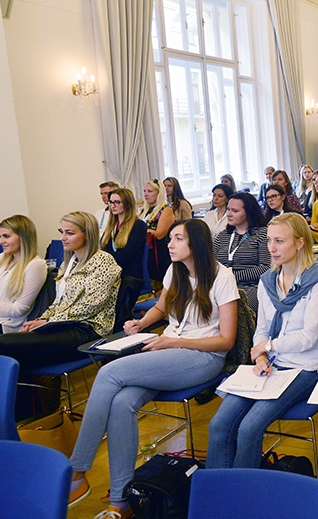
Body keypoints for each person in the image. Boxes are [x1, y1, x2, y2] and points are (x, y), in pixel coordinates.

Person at [68, 220, 238, 517]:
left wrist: (173, 343)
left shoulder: (222, 277)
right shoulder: (176, 271)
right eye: (170, 238)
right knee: (121, 403)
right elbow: (161, 306)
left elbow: (226, 340)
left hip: (202, 357)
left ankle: (77, 471)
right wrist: (142, 323)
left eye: (177, 238)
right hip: (171, 352)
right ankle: (120, 502)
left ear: (195, 244)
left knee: (108, 373)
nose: (169, 244)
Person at [207, 213, 318, 469]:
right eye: (269, 241)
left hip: (306, 366)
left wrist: (267, 347)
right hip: (272, 363)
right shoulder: (268, 281)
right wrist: (261, 356)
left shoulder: (317, 280)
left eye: (279, 241)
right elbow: (262, 328)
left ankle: (245, 498)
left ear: (299, 243)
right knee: (219, 424)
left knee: (250, 428)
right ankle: (216, 495)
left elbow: (308, 338)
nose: (272, 248)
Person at [0, 212, 120, 419]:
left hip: (88, 330)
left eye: (70, 233)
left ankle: (23, 415)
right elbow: (58, 302)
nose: (63, 238)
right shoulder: (70, 262)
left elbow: (91, 306)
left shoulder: (103, 261)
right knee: (13, 351)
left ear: (87, 235)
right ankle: (25, 415)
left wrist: (49, 321)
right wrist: (42, 319)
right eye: (62, 232)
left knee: (1, 344)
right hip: (62, 326)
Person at [213, 192, 270, 313]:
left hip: (249, 287)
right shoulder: (223, 236)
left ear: (248, 213)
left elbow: (265, 268)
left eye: (235, 211)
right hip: (220, 285)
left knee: (236, 309)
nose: (229, 214)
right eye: (228, 209)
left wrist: (232, 276)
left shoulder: (263, 234)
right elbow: (209, 262)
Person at [0, 215, 46, 334]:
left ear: (23, 237)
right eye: (0, 236)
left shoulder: (35, 265)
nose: (1, 242)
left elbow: (18, 309)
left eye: (6, 236)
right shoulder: (1, 259)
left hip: (5, 325)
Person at [101, 188, 147, 281]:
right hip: (112, 271)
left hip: (129, 276)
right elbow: (103, 247)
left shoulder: (138, 226)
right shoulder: (112, 226)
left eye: (117, 202)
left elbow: (125, 256)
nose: (112, 206)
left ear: (127, 204)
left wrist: (105, 261)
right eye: (111, 202)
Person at [141, 179, 174, 284]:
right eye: (145, 191)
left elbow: (160, 234)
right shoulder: (145, 210)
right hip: (147, 251)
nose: (146, 194)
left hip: (160, 253)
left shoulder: (166, 210)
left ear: (159, 193)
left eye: (150, 191)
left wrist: (141, 230)